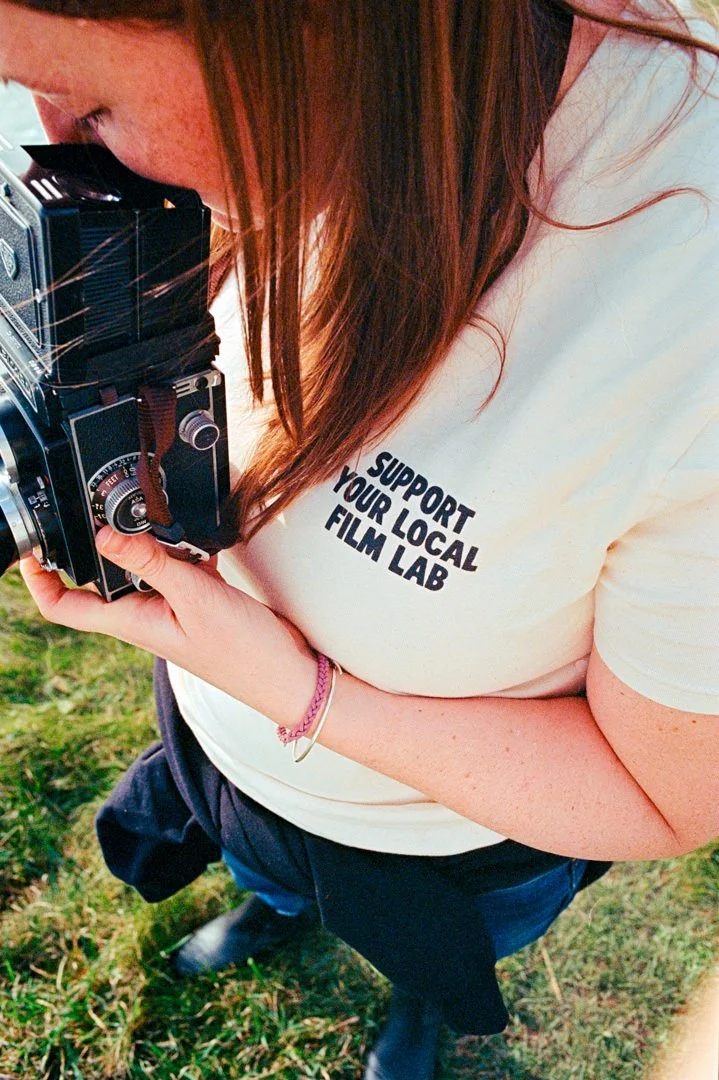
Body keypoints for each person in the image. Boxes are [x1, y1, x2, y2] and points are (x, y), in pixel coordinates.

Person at [1, 0, 717, 1076]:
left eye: (93, 101)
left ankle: (412, 1002)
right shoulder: (273, 145)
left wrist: (298, 693)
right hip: (221, 755)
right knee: (270, 877)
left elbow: (658, 797)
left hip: (431, 852)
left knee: (414, 953)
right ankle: (270, 905)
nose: (52, 148)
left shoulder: (684, 311)